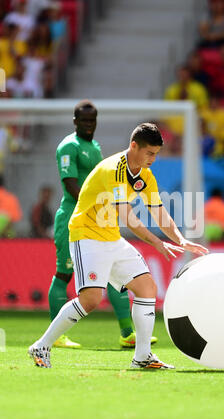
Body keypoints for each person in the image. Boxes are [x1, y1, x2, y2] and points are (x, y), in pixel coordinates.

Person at [28, 122, 209, 369]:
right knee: (90, 299)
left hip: (111, 237)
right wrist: (157, 242)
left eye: (156, 154)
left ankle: (142, 356)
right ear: (134, 146)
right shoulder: (114, 169)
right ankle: (42, 345)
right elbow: (128, 218)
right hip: (87, 235)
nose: (153, 159)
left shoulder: (145, 175)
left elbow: (158, 212)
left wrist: (180, 238)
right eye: (150, 153)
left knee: (147, 287)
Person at [48, 100, 154, 349]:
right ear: (75, 121)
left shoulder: (94, 146)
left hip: (98, 219)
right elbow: (71, 185)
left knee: (113, 274)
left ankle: (127, 332)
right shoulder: (68, 146)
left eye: (92, 120)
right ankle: (57, 335)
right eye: (84, 120)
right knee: (64, 274)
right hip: (74, 218)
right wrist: (105, 203)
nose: (88, 124)